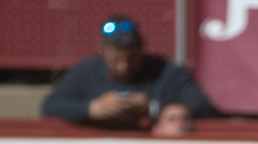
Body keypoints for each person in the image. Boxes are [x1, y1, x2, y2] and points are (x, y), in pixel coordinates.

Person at [41, 14, 217, 129]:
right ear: (103, 52)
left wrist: (153, 108)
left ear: (141, 49)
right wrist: (92, 108)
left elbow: (203, 105)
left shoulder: (165, 71)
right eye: (116, 60)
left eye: (130, 59)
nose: (123, 67)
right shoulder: (86, 71)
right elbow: (51, 107)